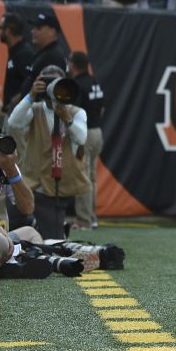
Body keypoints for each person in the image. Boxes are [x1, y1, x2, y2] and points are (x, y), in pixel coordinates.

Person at [6, 65, 90, 239]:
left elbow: (81, 138)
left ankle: (54, 229)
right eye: (47, 82)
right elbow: (14, 122)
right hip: (32, 183)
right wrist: (31, 95)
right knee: (14, 225)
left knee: (52, 240)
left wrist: (67, 118)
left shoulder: (76, 112)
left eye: (56, 82)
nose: (52, 88)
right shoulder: (35, 108)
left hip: (58, 188)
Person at [69, 51, 105, 230]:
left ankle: (84, 220)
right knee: (91, 177)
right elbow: (103, 108)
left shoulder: (77, 84)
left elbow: (73, 111)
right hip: (98, 131)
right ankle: (92, 217)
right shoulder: (94, 81)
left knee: (83, 176)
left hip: (85, 134)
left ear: (73, 64)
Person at [23, 12, 69, 95]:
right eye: (34, 27)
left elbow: (50, 93)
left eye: (38, 28)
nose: (33, 31)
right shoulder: (44, 52)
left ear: (52, 31)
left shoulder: (54, 56)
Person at [0, 13, 35, 117]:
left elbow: (31, 83)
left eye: (1, 28)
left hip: (19, 116)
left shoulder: (24, 53)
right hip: (12, 113)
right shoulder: (15, 51)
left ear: (8, 30)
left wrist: (14, 102)